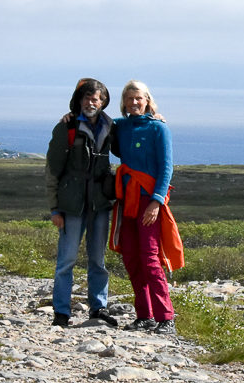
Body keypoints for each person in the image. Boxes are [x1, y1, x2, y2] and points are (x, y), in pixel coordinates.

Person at [109, 80, 184, 334]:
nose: (133, 103)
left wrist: (156, 201)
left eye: (138, 98)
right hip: (126, 200)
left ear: (147, 100)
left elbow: (166, 168)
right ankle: (145, 315)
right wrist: (71, 115)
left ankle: (166, 318)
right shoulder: (119, 126)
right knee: (131, 257)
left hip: (148, 201)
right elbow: (94, 121)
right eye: (129, 99)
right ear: (123, 102)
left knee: (150, 259)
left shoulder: (159, 129)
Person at [45, 78, 119, 328]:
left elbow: (130, 142)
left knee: (98, 260)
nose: (92, 102)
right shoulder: (66, 128)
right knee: (66, 261)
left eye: (96, 99)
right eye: (87, 98)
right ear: (78, 100)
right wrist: (54, 208)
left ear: (104, 102)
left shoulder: (111, 127)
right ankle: (61, 313)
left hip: (99, 204)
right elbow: (53, 170)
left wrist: (154, 116)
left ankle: (98, 309)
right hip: (71, 205)